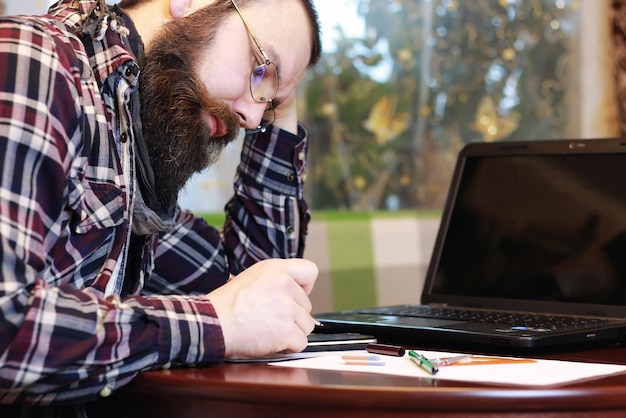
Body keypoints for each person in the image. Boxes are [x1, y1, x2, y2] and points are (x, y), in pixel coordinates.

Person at [0, 0, 322, 415]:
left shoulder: (134, 165)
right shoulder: (34, 59)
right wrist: (212, 323)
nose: (250, 116)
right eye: (261, 68)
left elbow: (257, 288)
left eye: (270, 105)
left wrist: (282, 106)